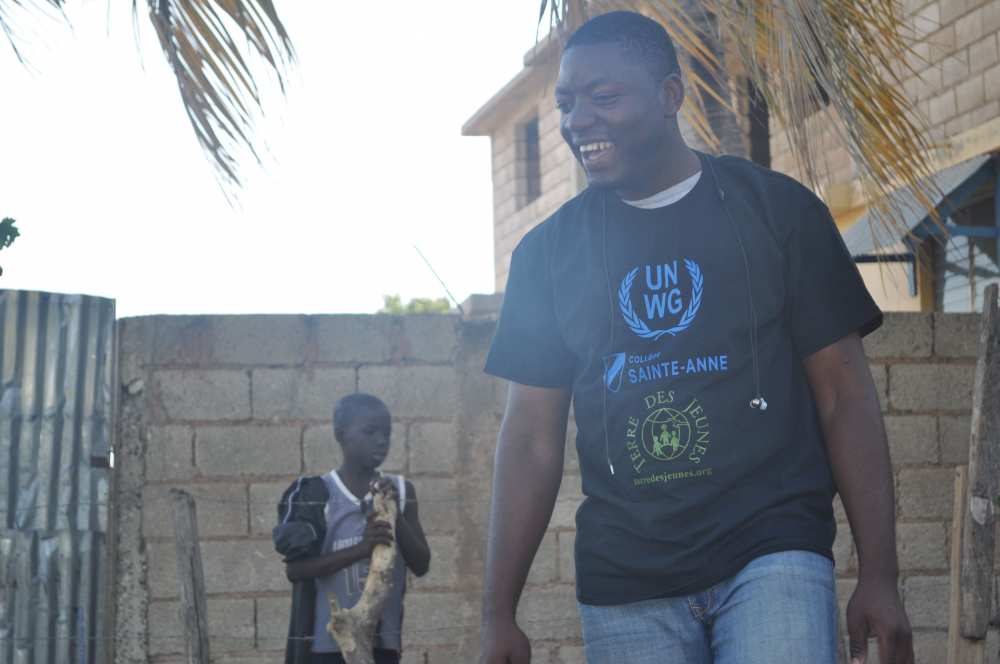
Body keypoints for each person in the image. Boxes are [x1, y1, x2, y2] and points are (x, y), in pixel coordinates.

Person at [479, 11, 913, 664]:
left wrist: (880, 574)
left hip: (772, 552)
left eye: (604, 97)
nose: (578, 121)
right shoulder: (546, 255)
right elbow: (531, 440)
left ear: (670, 95)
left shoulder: (778, 212)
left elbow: (843, 397)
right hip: (626, 581)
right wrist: (497, 614)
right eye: (567, 104)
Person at [274, 393, 430, 664]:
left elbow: (421, 564)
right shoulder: (316, 494)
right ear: (341, 435)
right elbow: (296, 570)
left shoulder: (401, 491)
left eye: (387, 433)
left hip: (382, 646)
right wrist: (362, 549)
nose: (381, 440)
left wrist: (394, 511)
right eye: (370, 432)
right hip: (327, 646)